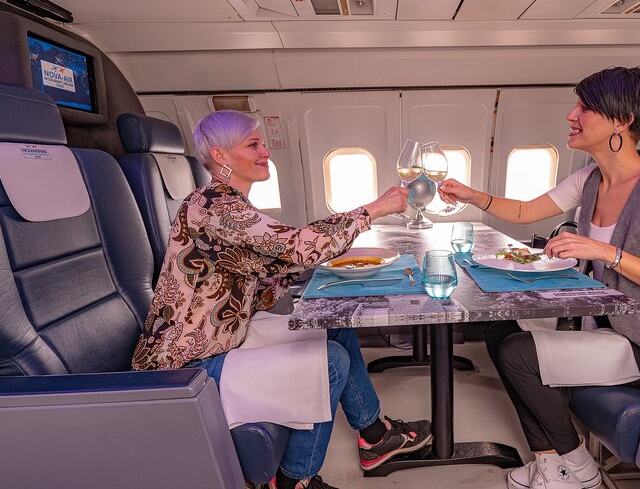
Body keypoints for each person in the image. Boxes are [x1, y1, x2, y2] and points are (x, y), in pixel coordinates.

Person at [131, 110, 431, 489]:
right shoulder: (212, 206)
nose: (266, 152)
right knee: (330, 363)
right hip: (186, 365)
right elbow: (297, 246)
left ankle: (374, 437)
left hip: (222, 341)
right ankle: (294, 481)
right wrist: (373, 210)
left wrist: (328, 264)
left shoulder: (228, 205)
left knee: (332, 331)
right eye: (253, 144)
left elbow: (273, 267)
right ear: (221, 156)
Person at [438, 66, 640, 489]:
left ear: (622, 120)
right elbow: (527, 211)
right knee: (498, 332)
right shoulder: (592, 179)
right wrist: (472, 195)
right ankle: (551, 463)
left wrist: (605, 252)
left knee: (517, 353)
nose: (571, 115)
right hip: (602, 324)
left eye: (585, 106)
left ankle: (580, 469)